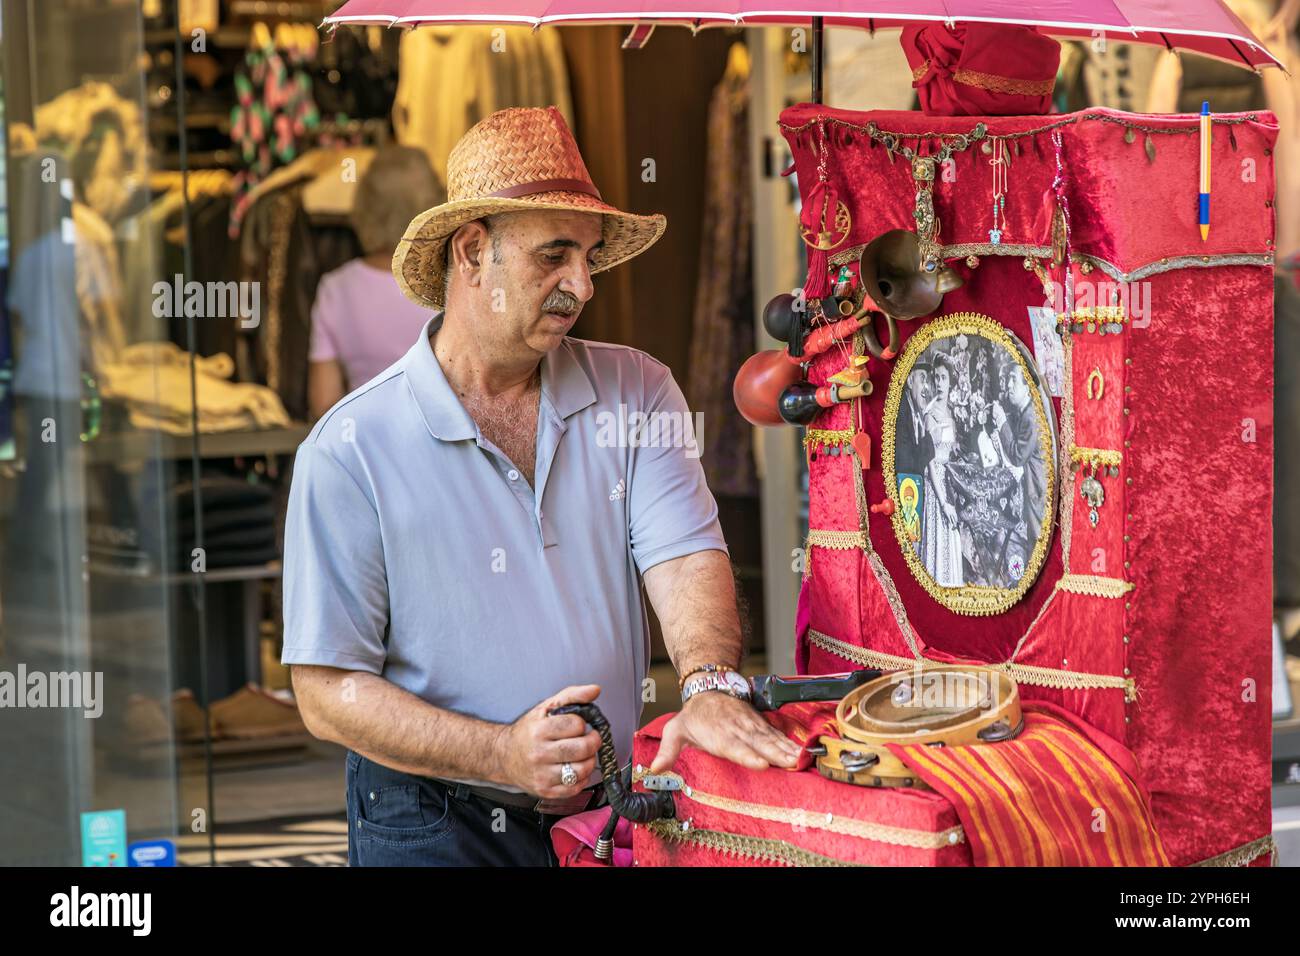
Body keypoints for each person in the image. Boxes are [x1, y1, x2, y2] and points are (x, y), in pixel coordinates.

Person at [282, 107, 800, 867]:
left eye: (589, 256)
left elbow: (686, 555)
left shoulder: (639, 390)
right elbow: (325, 689)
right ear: (471, 251)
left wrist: (711, 683)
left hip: (604, 809)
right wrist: (498, 753)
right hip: (428, 818)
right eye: (553, 255)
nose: (582, 284)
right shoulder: (351, 448)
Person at [307, 145, 443, 420]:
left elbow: (324, 405)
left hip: (364, 450)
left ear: (365, 205)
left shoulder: (335, 289)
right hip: (443, 442)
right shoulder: (451, 282)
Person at [920, 352, 965, 586]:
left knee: (953, 535)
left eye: (943, 378)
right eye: (936, 377)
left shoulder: (953, 412)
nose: (939, 382)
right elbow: (929, 459)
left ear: (950, 381)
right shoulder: (930, 414)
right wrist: (943, 501)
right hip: (935, 482)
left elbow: (952, 448)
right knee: (940, 534)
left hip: (949, 478)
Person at [993, 362, 1046, 555]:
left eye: (1013, 380)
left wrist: (1001, 421)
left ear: (1027, 388)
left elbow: (1017, 455)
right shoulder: (1025, 412)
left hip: (1037, 490)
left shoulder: (1031, 417)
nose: (1008, 385)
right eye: (1008, 379)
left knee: (1037, 541)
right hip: (1034, 488)